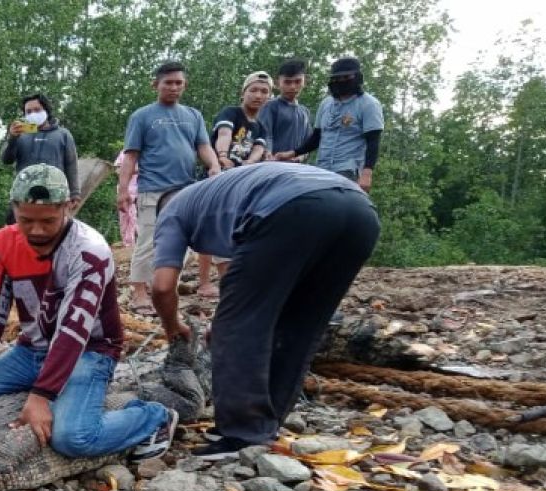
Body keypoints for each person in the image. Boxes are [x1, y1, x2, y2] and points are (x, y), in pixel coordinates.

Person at [147, 162, 380, 460]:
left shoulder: (172, 209)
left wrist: (173, 327)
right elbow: (250, 280)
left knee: (236, 327)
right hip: (360, 212)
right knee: (299, 326)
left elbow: (163, 286)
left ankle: (242, 434)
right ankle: (263, 425)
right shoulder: (219, 196)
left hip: (292, 207)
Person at [0, 165, 178, 461]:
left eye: (48, 221)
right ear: (14, 209)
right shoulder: (2, 243)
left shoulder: (89, 250)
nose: (37, 231)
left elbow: (73, 330)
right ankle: (49, 389)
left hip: (90, 351)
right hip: (32, 350)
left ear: (69, 206)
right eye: (26, 220)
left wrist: (41, 395)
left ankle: (154, 416)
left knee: (72, 438)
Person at [117, 62, 221, 315]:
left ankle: (161, 284)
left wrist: (214, 166)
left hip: (185, 188)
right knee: (148, 240)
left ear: (185, 85)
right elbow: (130, 156)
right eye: (168, 83)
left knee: (184, 239)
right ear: (156, 85)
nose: (174, 87)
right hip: (152, 187)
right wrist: (122, 191)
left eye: (179, 83)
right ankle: (139, 293)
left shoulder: (193, 115)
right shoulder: (142, 116)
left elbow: (203, 147)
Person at [196, 71, 273, 297]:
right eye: (254, 90)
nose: (258, 95)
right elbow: (224, 133)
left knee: (232, 228)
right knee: (210, 228)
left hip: (240, 182)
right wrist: (222, 155)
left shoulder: (260, 127)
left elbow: (258, 148)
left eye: (264, 91)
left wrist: (249, 164)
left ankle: (227, 280)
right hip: (217, 176)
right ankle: (203, 282)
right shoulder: (231, 113)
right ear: (244, 92)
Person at [275, 57, 384, 192]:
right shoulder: (326, 103)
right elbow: (316, 138)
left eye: (346, 77)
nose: (341, 81)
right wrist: (291, 153)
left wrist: (367, 174)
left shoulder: (369, 104)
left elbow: (373, 142)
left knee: (342, 209)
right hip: (322, 168)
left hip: (348, 170)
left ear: (357, 77)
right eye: (337, 78)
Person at [1, 93, 80, 219]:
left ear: (46, 110)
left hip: (54, 196)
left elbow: (71, 164)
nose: (33, 114)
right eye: (28, 112)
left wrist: (75, 193)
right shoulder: (19, 134)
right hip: (24, 196)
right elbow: (6, 160)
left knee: (52, 232)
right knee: (18, 233)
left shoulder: (63, 134)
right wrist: (12, 138)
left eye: (37, 110)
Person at [257, 59, 312, 161]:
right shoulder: (270, 106)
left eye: (297, 81)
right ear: (278, 83)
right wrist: (268, 154)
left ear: (305, 82)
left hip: (297, 169)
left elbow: (308, 144)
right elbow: (265, 135)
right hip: (272, 166)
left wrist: (299, 157)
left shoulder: (305, 112)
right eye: (287, 82)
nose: (292, 87)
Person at [112, 149, 138, 247]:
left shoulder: (140, 153)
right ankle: (126, 241)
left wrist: (128, 170)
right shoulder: (123, 152)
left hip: (135, 190)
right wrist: (128, 170)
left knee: (132, 216)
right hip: (123, 190)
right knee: (124, 216)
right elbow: (117, 169)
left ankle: (130, 242)